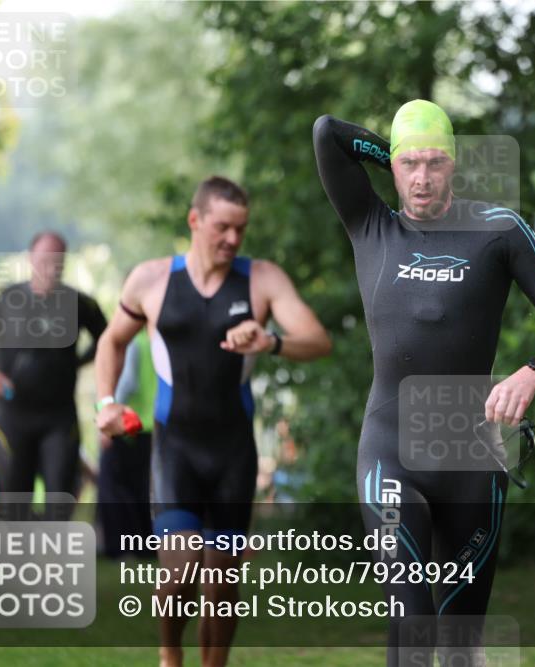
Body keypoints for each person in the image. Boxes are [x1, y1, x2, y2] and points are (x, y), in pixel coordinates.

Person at [313, 100, 535, 666]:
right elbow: (327, 134)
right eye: (409, 164)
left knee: (461, 643)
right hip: (390, 452)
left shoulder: (498, 230)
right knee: (411, 622)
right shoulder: (371, 224)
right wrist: (393, 150)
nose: (422, 178)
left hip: (473, 459)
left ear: (455, 164)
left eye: (435, 162)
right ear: (392, 166)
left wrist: (533, 373)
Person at [94, 175, 332, 667]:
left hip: (232, 454)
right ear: (195, 220)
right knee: (179, 573)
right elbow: (111, 341)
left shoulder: (262, 279)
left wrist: (270, 341)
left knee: (222, 585)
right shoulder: (151, 280)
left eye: (241, 228)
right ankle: (170, 656)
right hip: (174, 449)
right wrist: (106, 403)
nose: (233, 238)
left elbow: (317, 340)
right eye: (223, 227)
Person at [0, 232, 107, 502]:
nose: (50, 267)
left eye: (57, 260)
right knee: (15, 498)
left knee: (61, 495)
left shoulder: (79, 303)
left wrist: (79, 362)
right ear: (30, 258)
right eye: (44, 259)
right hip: (12, 414)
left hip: (59, 417)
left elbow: (108, 340)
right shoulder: (4, 298)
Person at [96, 328, 153, 558]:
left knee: (114, 488)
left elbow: (127, 382)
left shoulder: (131, 341)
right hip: (151, 426)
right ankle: (145, 548)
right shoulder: (155, 340)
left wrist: (107, 418)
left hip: (126, 425)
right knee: (142, 489)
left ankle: (119, 549)